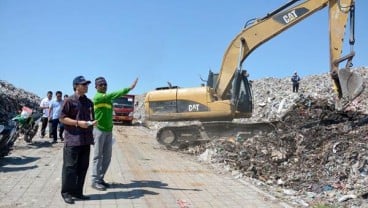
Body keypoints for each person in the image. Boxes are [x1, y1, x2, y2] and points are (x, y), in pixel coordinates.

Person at [91, 76, 138, 191]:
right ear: (96, 87)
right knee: (98, 156)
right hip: (99, 130)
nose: (103, 86)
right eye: (101, 85)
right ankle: (94, 180)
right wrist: (129, 88)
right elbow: (113, 95)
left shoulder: (108, 99)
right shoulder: (98, 97)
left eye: (105, 84)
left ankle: (100, 178)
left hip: (108, 130)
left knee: (107, 156)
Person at [59, 76, 97, 204]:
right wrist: (77, 123)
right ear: (76, 86)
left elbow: (91, 119)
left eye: (87, 84)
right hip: (73, 140)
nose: (86, 86)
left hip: (85, 141)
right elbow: (62, 118)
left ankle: (78, 192)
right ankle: (66, 192)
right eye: (83, 84)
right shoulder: (69, 101)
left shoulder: (89, 102)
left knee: (82, 167)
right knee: (70, 168)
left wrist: (92, 123)